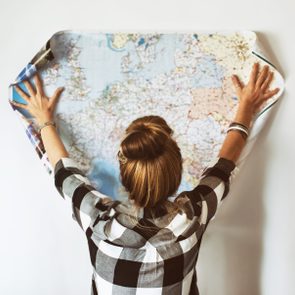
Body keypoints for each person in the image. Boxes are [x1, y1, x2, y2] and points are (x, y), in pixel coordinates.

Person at [11, 63, 279, 295]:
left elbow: (62, 171)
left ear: (125, 173)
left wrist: (45, 121)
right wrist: (246, 106)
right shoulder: (192, 216)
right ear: (176, 173)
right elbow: (224, 166)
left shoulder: (97, 219)